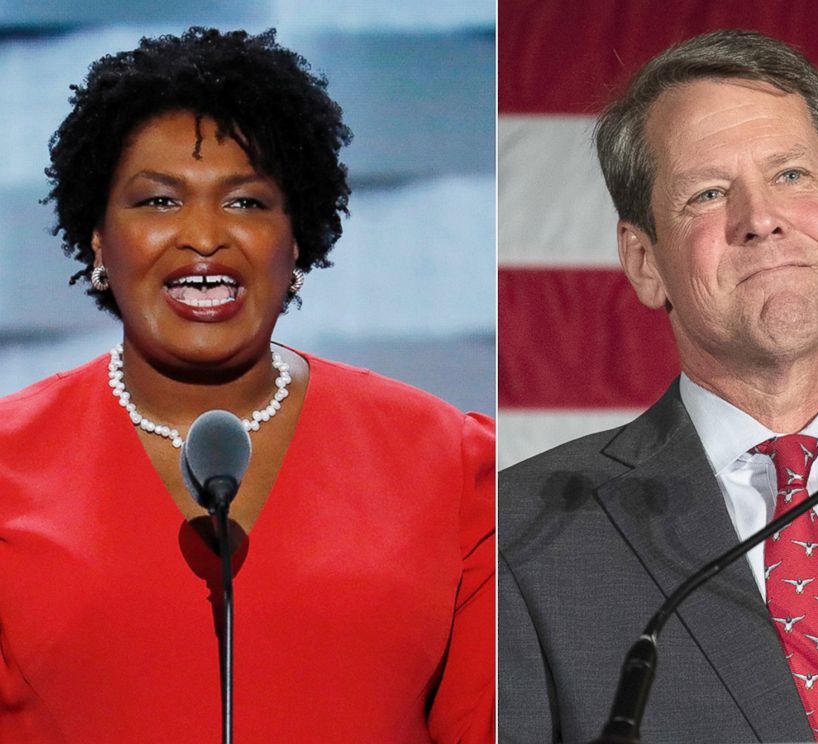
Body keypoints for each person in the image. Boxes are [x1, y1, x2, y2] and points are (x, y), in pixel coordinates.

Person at [0, 28, 494, 743]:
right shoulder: (10, 465)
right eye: (158, 202)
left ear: (298, 243)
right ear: (97, 239)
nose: (204, 236)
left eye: (248, 204)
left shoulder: (450, 465)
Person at [499, 29, 818, 743]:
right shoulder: (524, 534)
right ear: (643, 262)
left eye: (791, 175)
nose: (760, 218)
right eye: (707, 193)